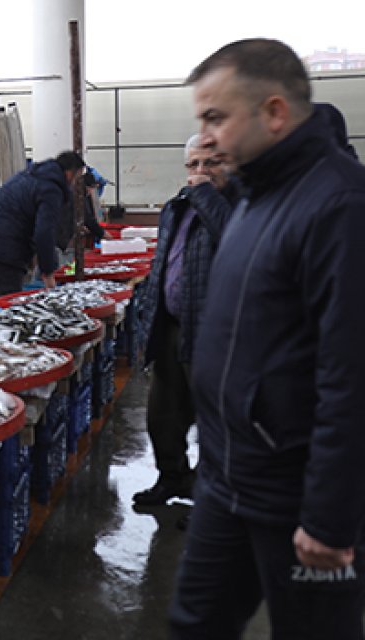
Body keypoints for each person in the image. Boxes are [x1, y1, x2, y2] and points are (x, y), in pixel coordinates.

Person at [170, 39, 365, 639]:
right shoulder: (257, 194)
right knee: (195, 624)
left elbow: (350, 375)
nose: (204, 138)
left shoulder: (340, 206)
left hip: (293, 492)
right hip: (228, 477)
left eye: (216, 117)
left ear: (274, 113)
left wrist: (330, 518)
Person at [131, 135, 234, 514]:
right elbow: (165, 263)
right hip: (173, 323)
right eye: (193, 165)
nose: (200, 173)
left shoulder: (239, 204)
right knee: (164, 412)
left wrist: (206, 194)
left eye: (211, 163)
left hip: (214, 332)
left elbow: (235, 239)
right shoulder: (178, 206)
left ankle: (213, 502)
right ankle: (171, 476)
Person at [0, 150, 87, 302]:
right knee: (10, 305)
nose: (76, 183)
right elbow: (44, 232)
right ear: (70, 173)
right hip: (4, 249)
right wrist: (48, 272)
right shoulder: (51, 188)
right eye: (77, 177)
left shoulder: (30, 175)